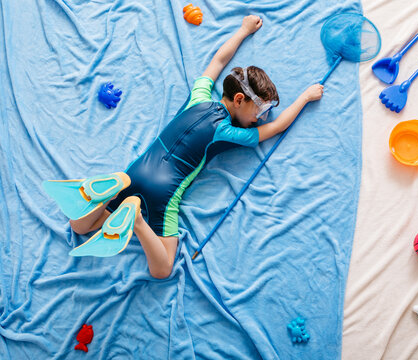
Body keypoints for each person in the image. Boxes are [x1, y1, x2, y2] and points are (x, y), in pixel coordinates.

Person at [50, 15, 324, 279]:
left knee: (80, 225)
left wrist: (243, 30)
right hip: (165, 193)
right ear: (239, 99)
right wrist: (305, 97)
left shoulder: (199, 96)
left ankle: (113, 188)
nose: (260, 119)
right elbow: (276, 129)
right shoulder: (227, 132)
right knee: (163, 269)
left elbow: (218, 60)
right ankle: (137, 222)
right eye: (260, 110)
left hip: (134, 173)